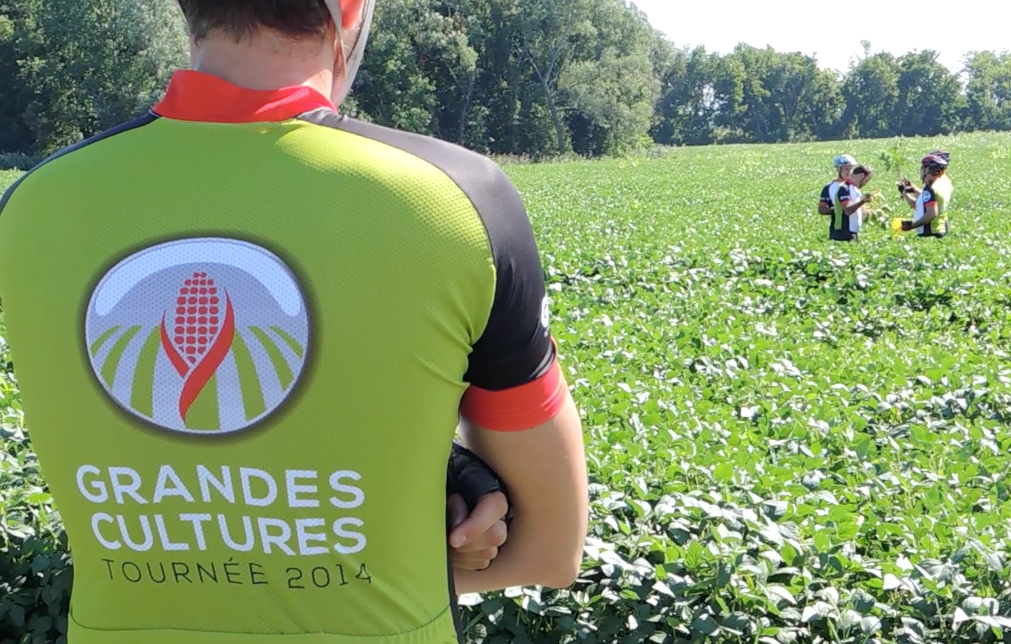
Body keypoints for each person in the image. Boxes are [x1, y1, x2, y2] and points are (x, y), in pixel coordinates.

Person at [0, 1, 590, 642]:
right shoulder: (455, 201)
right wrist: (397, 542)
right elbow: (549, 551)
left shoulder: (31, 208)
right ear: (350, 10)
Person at [899, 153, 952, 238]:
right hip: (940, 229)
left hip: (930, 232)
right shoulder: (942, 184)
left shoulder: (930, 189)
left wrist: (912, 225)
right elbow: (926, 200)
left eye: (923, 170)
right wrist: (913, 189)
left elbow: (930, 212)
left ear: (929, 171)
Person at [829, 163, 875, 242]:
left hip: (851, 231)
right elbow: (847, 210)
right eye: (866, 180)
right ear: (861, 176)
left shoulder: (855, 189)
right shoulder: (844, 188)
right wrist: (863, 201)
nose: (865, 184)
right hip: (843, 233)